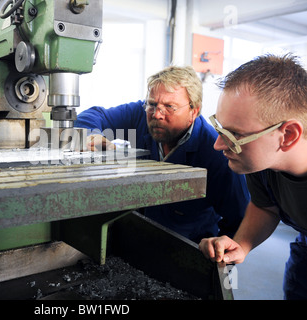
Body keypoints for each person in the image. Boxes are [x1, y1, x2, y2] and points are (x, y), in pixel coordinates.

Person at [75, 65, 249, 243]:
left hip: (185, 247)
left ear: (194, 111)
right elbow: (93, 115)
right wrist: (91, 135)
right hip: (137, 235)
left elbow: (240, 218)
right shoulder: (140, 115)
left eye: (170, 106)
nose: (157, 114)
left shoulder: (216, 154)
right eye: (152, 104)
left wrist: (217, 255)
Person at [198, 54, 307, 300]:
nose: (218, 145)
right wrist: (242, 244)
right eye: (220, 128)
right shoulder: (261, 163)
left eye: (234, 134)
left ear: (288, 135)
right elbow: (265, 206)